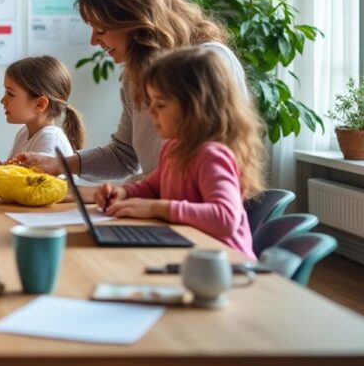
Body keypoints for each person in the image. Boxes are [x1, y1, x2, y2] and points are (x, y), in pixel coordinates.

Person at [14, 0, 247, 182]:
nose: (94, 40)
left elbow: (201, 174)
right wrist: (61, 164)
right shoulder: (134, 76)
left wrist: (129, 194)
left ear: (135, 22)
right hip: (157, 209)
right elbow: (123, 155)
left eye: (101, 30)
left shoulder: (210, 62)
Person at [94, 47, 263, 258]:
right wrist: (124, 193)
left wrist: (158, 209)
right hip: (190, 253)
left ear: (195, 107)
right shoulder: (173, 148)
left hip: (225, 264)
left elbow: (226, 218)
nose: (151, 112)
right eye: (150, 103)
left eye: (161, 104)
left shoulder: (211, 155)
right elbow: (152, 186)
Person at [0, 56, 85, 182]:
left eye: (11, 94)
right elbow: (18, 174)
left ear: (39, 104)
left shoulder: (51, 139)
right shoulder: (24, 133)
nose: (3, 100)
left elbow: (38, 184)